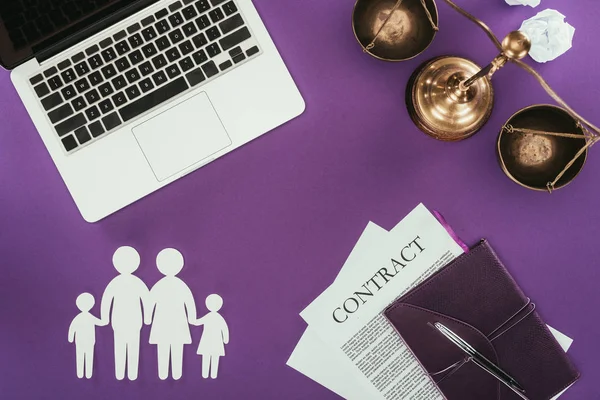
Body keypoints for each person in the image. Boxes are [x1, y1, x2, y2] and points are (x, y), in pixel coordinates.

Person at [100, 246, 150, 381]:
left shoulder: (122, 283)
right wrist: (147, 318)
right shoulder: (132, 283)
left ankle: (126, 372)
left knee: (126, 346)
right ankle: (123, 372)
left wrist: (105, 318)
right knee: (127, 346)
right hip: (124, 321)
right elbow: (146, 300)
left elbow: (146, 300)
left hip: (128, 321)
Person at [147, 248, 197, 380]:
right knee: (174, 347)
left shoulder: (160, 285)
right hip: (173, 322)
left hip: (165, 322)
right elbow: (189, 303)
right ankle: (174, 373)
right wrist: (192, 318)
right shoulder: (180, 285)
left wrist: (148, 318)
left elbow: (150, 303)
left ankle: (167, 373)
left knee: (169, 347)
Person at [68, 293, 105, 379]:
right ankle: (85, 373)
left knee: (83, 356)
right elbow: (73, 327)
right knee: (86, 356)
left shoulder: (82, 317)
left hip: (86, 341)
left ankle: (84, 373)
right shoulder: (86, 317)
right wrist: (105, 321)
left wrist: (71, 338)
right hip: (86, 341)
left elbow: (72, 328)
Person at [193, 294, 229, 379]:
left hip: (209, 340)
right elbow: (225, 329)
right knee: (212, 357)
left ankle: (208, 374)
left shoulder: (212, 317)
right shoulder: (216, 317)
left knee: (209, 357)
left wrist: (193, 321)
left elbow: (198, 322)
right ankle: (210, 374)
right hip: (212, 340)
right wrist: (225, 339)